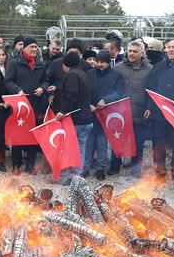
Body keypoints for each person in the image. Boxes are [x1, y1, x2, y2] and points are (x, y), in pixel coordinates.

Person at [146, 39, 174, 185]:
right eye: (168, 47)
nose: (170, 50)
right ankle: (160, 173)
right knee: (158, 143)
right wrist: (148, 107)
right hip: (159, 113)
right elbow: (150, 88)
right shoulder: (158, 67)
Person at [5, 38, 47, 175]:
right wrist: (18, 90)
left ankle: (30, 164)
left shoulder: (41, 64)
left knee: (33, 135)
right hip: (20, 105)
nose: (34, 49)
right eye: (32, 47)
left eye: (36, 47)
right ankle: (16, 165)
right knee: (18, 135)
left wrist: (42, 88)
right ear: (24, 48)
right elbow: (8, 82)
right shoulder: (14, 63)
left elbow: (46, 80)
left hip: (36, 104)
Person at [116, 40, 153, 179]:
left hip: (140, 111)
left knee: (138, 142)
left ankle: (136, 169)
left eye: (135, 51)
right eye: (130, 51)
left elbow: (152, 90)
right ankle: (115, 166)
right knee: (118, 140)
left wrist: (149, 107)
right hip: (121, 112)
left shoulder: (150, 69)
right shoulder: (119, 68)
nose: (131, 54)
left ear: (142, 53)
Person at [84, 50, 125, 180]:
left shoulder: (116, 75)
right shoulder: (89, 74)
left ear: (109, 62)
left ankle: (100, 168)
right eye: (98, 61)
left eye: (103, 62)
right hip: (90, 112)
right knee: (88, 141)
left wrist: (106, 100)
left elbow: (119, 92)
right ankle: (86, 166)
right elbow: (83, 91)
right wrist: (88, 104)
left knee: (102, 141)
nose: (100, 64)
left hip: (106, 112)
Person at [55, 52, 93, 183]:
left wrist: (63, 111)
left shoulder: (71, 75)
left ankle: (66, 176)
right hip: (86, 118)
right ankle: (77, 176)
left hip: (75, 119)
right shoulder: (84, 74)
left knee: (67, 147)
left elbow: (70, 95)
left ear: (66, 65)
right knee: (80, 148)